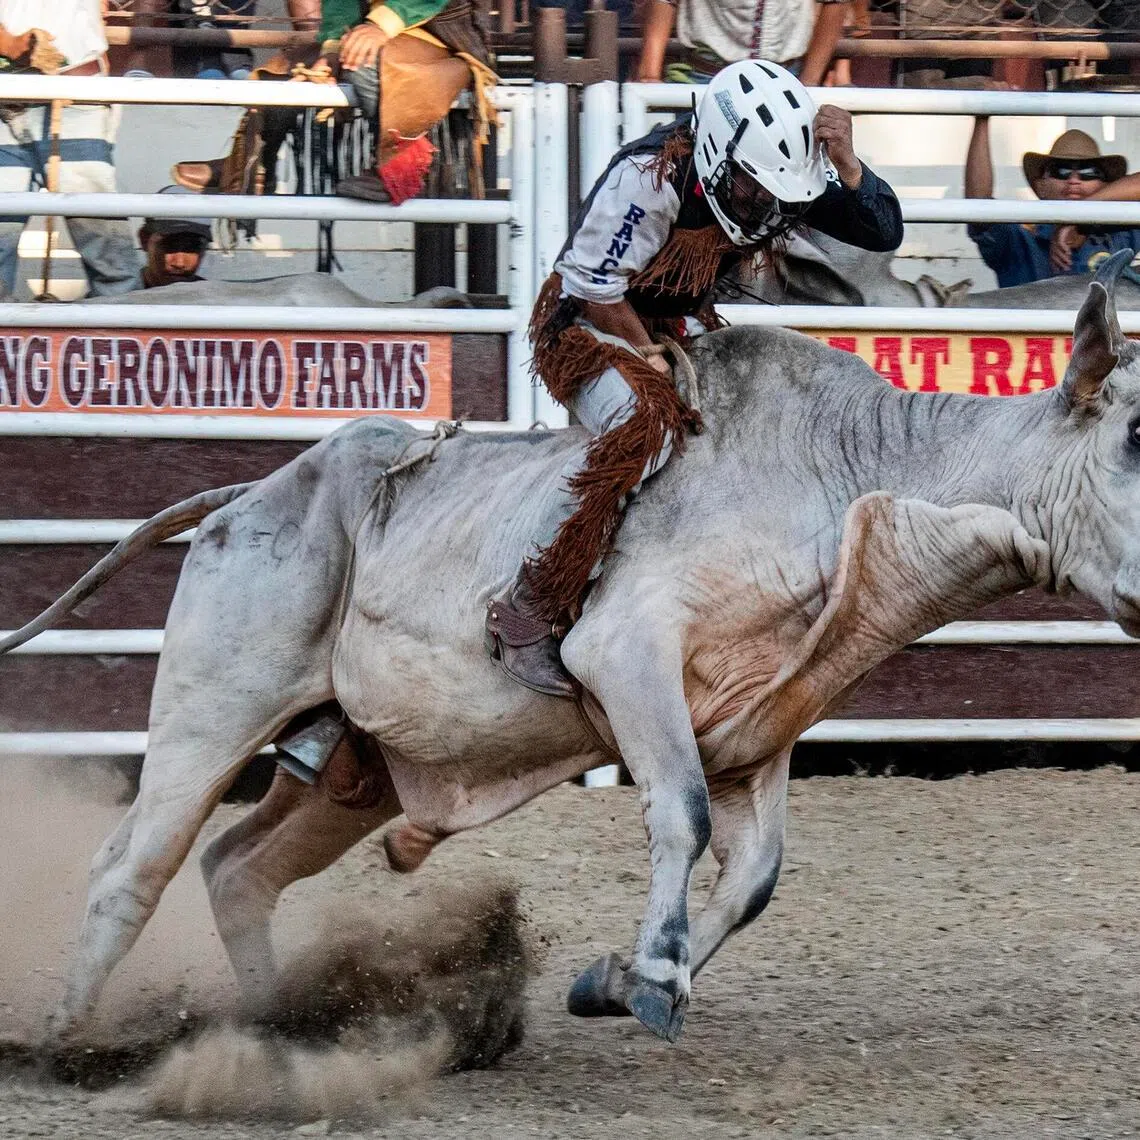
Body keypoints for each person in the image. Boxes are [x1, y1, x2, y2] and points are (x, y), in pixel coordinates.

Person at [485, 59, 903, 697]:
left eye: (776, 195)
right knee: (641, 429)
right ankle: (526, 612)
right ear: (717, 155)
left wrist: (847, 166)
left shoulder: (768, 174)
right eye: (754, 190)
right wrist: (645, 351)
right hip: (588, 327)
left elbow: (881, 231)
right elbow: (593, 285)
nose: (766, 206)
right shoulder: (647, 177)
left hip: (671, 325)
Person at [0, 0, 140, 298]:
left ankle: (121, 326)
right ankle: (121, 323)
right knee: (100, 233)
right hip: (36, 94)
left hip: (72, 92)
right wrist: (11, 45)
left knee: (98, 230)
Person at [318, 0, 498, 204]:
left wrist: (380, 26)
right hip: (381, 30)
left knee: (363, 63)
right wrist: (333, 47)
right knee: (284, 71)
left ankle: (402, 161)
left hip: (448, 36)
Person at [966, 121, 1140, 287]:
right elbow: (979, 208)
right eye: (1061, 171)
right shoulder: (1020, 238)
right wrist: (982, 119)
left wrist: (1078, 218)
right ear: (1041, 186)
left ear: (1105, 185)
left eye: (1088, 172)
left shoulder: (1119, 231)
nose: (1074, 180)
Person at [636, 0, 848, 87]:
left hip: (784, 82)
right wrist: (650, 75)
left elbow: (836, 3)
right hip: (704, 78)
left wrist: (808, 83)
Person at [132, 186, 213, 290]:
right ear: (144, 240)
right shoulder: (117, 296)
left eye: (193, 247)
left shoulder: (216, 301)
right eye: (170, 245)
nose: (180, 263)